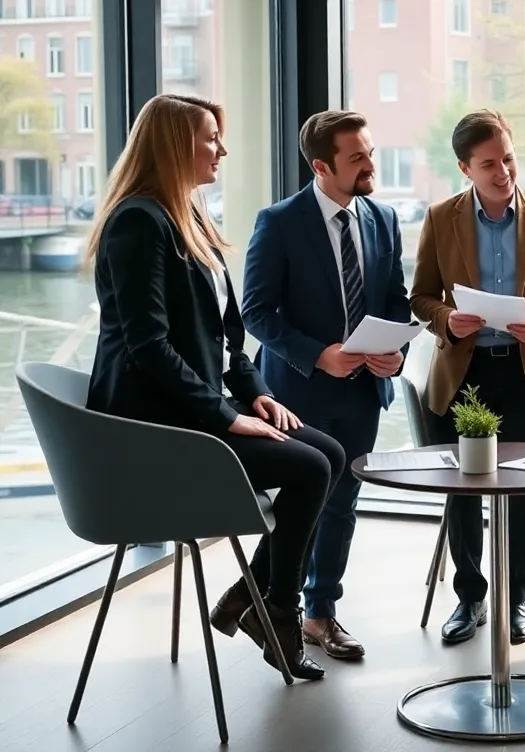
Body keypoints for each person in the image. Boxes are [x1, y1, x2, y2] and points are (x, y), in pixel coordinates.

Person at [87, 94, 343, 682]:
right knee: (309, 468)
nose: (222, 149)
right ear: (177, 145)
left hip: (193, 409)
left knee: (328, 454)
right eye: (211, 138)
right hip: (153, 427)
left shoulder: (190, 216)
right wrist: (226, 418)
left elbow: (229, 337)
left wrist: (253, 393)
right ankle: (275, 609)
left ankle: (257, 601)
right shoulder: (138, 222)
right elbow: (148, 346)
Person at [411, 110, 525, 645]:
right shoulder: (441, 218)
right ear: (465, 168)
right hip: (464, 374)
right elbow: (420, 296)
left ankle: (516, 601)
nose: (504, 172)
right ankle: (470, 599)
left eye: (508, 158)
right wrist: (446, 318)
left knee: (519, 491)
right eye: (489, 164)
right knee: (464, 493)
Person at [241, 110, 411, 661]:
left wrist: (396, 354)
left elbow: (394, 300)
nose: (370, 164)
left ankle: (319, 615)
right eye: (356, 157)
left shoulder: (383, 218)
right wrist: (319, 356)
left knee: (343, 505)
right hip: (297, 392)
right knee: (303, 504)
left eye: (369, 152)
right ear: (321, 166)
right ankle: (267, 605)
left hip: (364, 390)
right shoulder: (279, 222)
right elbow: (256, 312)